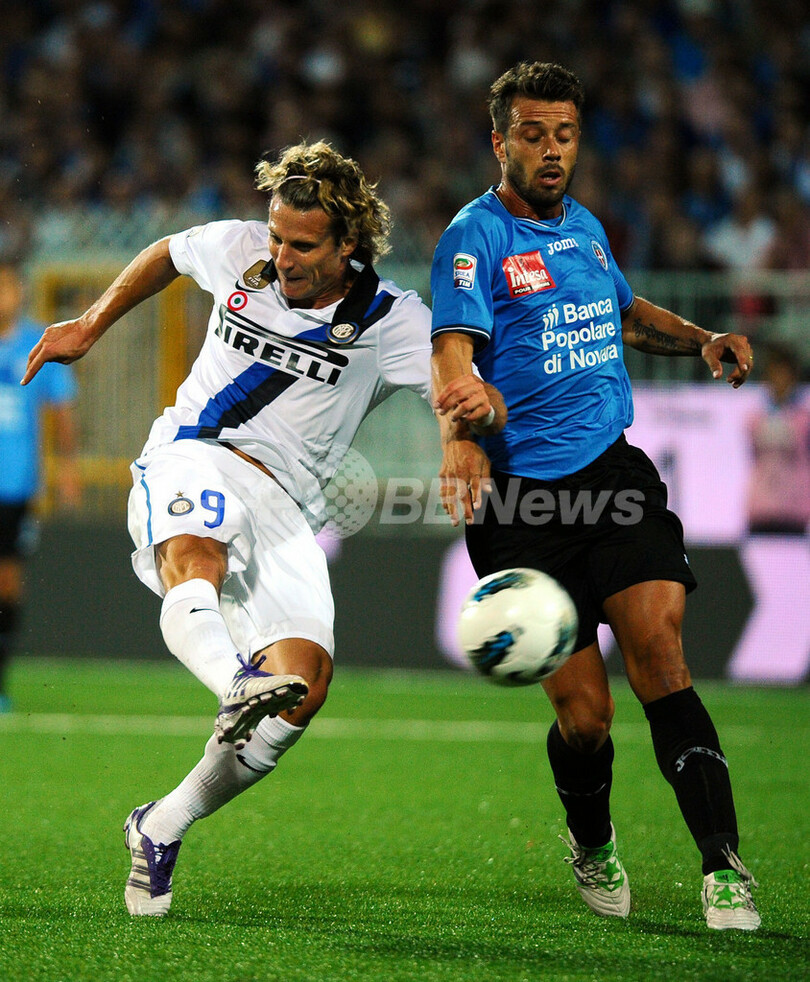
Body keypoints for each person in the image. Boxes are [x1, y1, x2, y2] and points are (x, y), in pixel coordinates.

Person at [22, 140, 506, 916]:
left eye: (303, 245)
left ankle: (161, 824)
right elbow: (166, 253)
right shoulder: (239, 248)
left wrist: (461, 439)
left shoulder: (393, 321)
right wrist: (89, 323)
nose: (281, 256)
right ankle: (232, 683)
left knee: (304, 686)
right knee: (196, 552)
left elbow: (453, 384)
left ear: (348, 244)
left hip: (284, 508)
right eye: (278, 236)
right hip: (193, 452)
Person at [430, 61, 760, 931]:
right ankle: (593, 840)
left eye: (565, 135)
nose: (551, 150)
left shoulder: (584, 228)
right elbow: (452, 352)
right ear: (500, 142)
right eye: (533, 134)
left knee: (662, 660)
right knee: (587, 718)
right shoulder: (474, 238)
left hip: (613, 480)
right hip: (525, 509)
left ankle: (723, 866)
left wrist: (703, 339)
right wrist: (459, 439)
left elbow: (624, 314)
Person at [0, 258, 79, 712]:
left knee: (7, 585)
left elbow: (62, 411)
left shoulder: (38, 343)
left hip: (14, 487)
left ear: (20, 293)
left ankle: (0, 682)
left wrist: (67, 470)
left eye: (6, 287)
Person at [746, 342, 810, 535]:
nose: (779, 381)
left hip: (794, 511)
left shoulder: (804, 421)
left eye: (784, 375)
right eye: (774, 374)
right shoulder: (754, 420)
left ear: (794, 378)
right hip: (761, 509)